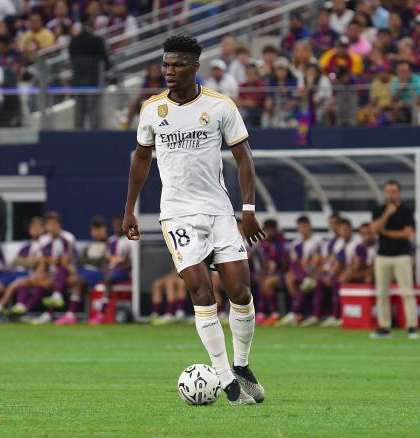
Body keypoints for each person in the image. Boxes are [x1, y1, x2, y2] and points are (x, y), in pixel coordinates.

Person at [123, 35, 265, 406]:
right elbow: (140, 158)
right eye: (166, 65)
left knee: (241, 292)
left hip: (219, 211)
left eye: (177, 65)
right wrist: (129, 209)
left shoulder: (219, 106)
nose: (169, 71)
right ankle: (224, 380)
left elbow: (244, 158)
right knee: (202, 292)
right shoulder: (152, 110)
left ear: (194, 67)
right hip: (177, 213)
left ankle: (242, 365)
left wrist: (247, 211)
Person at [370, 180, 418, 339]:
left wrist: (387, 233)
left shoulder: (406, 210)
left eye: (394, 191)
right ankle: (384, 327)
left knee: (407, 292)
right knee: (382, 293)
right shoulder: (379, 210)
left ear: (399, 193)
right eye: (388, 192)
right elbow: (374, 229)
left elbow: (408, 233)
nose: (391, 195)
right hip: (382, 256)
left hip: (402, 256)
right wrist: (387, 214)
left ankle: (412, 326)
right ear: (384, 193)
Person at [69, 13, 107, 130]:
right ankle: (96, 139)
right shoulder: (97, 40)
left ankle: (77, 140)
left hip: (78, 83)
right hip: (93, 82)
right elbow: (105, 61)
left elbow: (71, 57)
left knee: (79, 113)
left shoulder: (74, 41)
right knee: (94, 112)